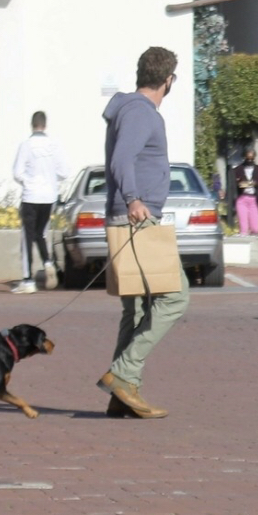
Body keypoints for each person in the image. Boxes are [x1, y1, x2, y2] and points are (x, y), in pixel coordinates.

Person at [96, 47, 189, 420]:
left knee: (135, 309)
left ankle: (123, 394)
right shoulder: (139, 112)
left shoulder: (132, 109)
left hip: (130, 217)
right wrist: (133, 199)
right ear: (168, 80)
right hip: (137, 219)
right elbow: (122, 159)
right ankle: (123, 374)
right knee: (175, 298)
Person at [11, 111, 69, 294]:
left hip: (31, 196)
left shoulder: (26, 145)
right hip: (49, 196)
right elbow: (64, 172)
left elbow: (17, 173)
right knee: (41, 233)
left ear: (32, 125)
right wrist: (50, 179)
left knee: (27, 237)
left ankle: (28, 280)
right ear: (45, 125)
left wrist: (28, 181)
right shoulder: (54, 145)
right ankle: (48, 262)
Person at [233, 148, 258, 236]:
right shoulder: (238, 169)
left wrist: (256, 183)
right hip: (242, 198)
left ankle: (254, 237)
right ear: (244, 157)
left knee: (255, 228)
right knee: (243, 226)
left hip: (254, 199)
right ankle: (243, 234)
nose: (249, 160)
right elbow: (232, 184)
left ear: (254, 158)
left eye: (251, 158)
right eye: (248, 158)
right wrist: (239, 184)